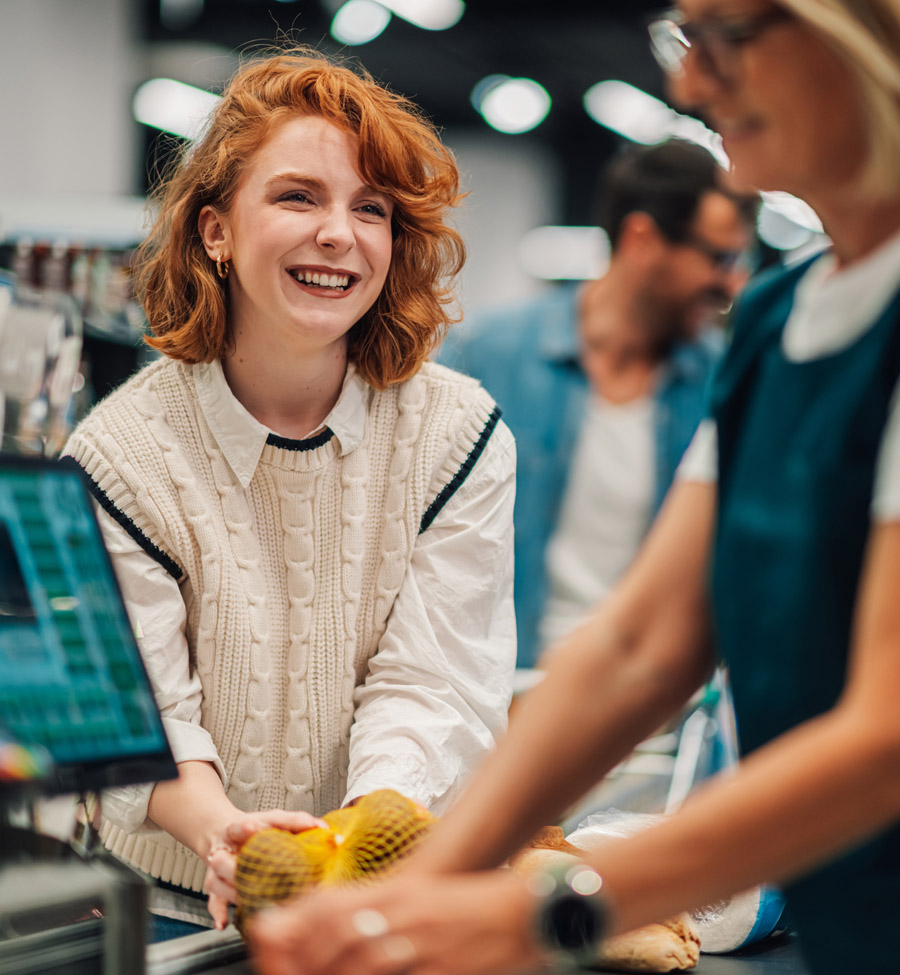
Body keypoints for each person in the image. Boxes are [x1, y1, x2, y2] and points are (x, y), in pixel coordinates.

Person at [249, 2, 900, 974]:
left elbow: (885, 738)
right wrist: (417, 899)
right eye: (684, 42)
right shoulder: (774, 323)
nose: (689, 83)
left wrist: (548, 913)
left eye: (727, 37)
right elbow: (642, 645)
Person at [62, 48, 516, 940]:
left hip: (374, 901)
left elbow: (434, 681)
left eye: (371, 209)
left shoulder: (457, 434)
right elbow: (141, 716)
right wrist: (220, 831)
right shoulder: (117, 457)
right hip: (164, 909)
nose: (339, 234)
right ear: (214, 230)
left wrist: (357, 838)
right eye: (298, 196)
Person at [440, 139, 755, 667]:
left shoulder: (723, 383)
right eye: (719, 258)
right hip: (502, 687)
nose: (731, 283)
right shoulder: (486, 358)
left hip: (642, 699)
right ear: (641, 239)